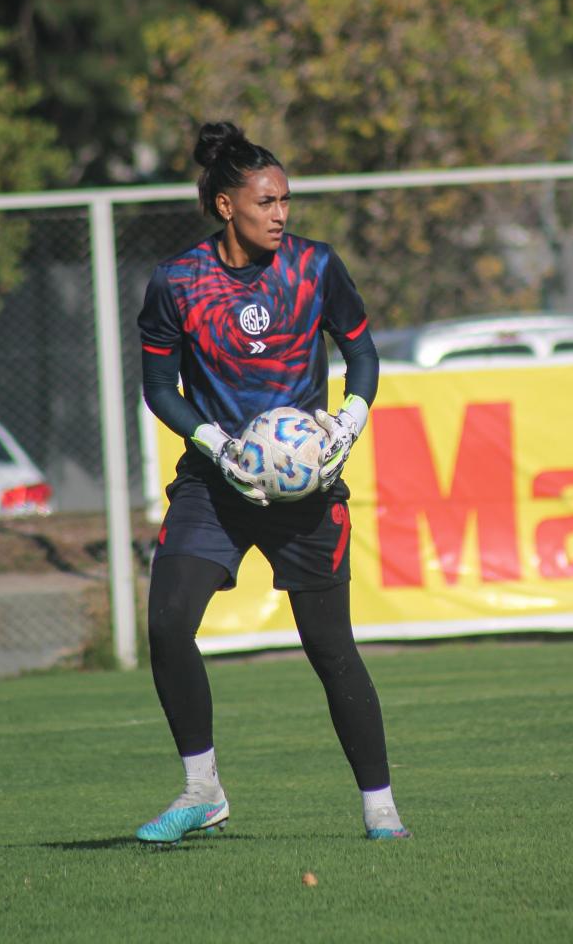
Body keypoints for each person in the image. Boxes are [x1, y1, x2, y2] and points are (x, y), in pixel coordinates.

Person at [135, 121, 410, 844]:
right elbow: (160, 387)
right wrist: (218, 445)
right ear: (227, 206)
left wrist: (347, 421)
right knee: (166, 625)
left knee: (330, 648)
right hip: (213, 486)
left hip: (307, 495)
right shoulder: (177, 281)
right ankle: (203, 791)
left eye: (286, 199)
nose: (281, 213)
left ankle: (380, 809)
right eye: (266, 202)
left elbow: (363, 352)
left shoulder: (315, 267)